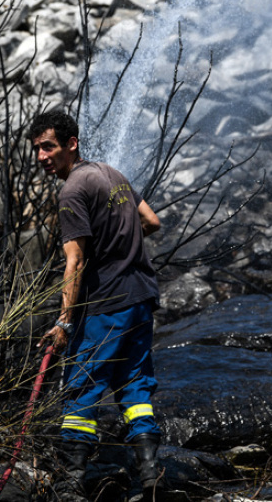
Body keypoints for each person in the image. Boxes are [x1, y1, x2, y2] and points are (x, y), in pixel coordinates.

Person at [27, 111, 163, 501]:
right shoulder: (111, 173)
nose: (40, 156)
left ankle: (72, 483)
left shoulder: (72, 190)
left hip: (107, 305)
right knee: (135, 386)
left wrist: (64, 324)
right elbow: (151, 221)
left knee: (82, 389)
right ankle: (151, 477)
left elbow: (75, 261)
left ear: (71, 144)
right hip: (140, 298)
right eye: (36, 149)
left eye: (48, 146)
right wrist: (121, 249)